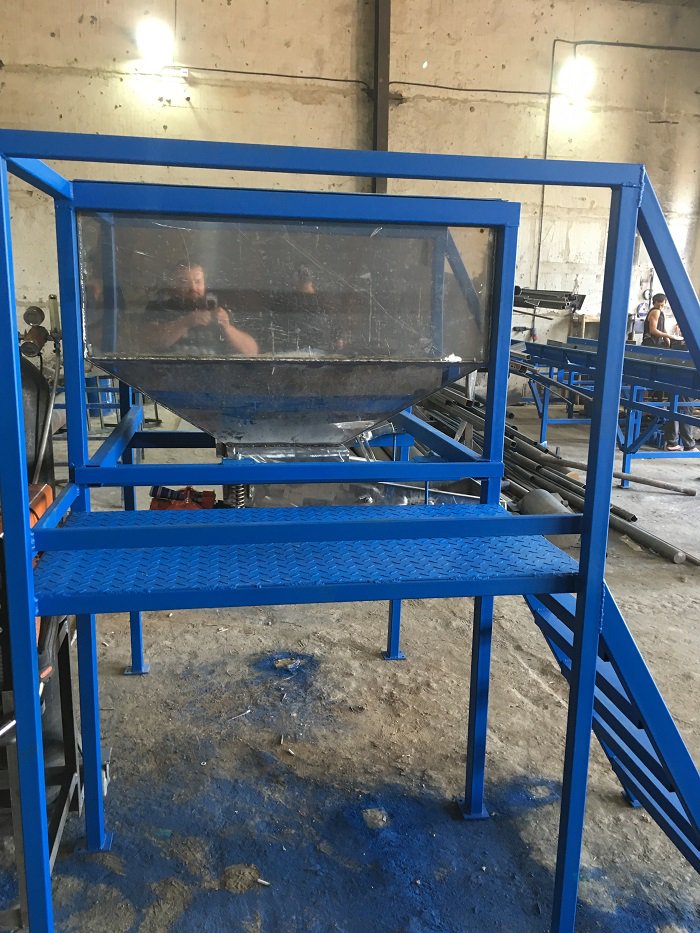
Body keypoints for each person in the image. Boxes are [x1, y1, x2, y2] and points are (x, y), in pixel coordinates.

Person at [143, 260, 258, 356]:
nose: (193, 288)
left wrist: (227, 328)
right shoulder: (161, 306)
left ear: (204, 283)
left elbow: (252, 351)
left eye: (198, 281)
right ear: (173, 285)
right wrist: (185, 322)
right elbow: (151, 343)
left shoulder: (218, 306)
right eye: (184, 282)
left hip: (216, 371)